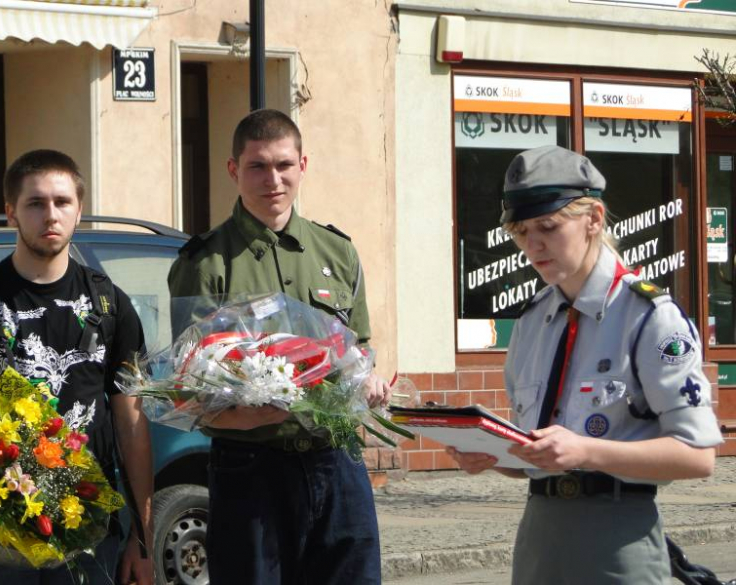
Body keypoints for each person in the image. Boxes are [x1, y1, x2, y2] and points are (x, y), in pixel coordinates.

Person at [448, 145, 723, 584]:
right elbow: (540, 456)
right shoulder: (533, 321)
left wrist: (586, 451)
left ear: (594, 218)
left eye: (548, 227)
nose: (531, 245)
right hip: (541, 537)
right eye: (520, 232)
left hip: (618, 540)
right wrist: (496, 454)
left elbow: (698, 455)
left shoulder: (649, 316)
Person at [168, 108, 390, 585]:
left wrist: (364, 379)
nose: (273, 179)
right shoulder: (205, 262)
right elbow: (192, 377)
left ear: (303, 165)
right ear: (234, 170)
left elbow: (360, 344)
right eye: (258, 166)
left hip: (336, 458)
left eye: (284, 165)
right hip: (252, 467)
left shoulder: (337, 252)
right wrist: (237, 412)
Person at [0, 150, 154, 585]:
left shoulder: (110, 305)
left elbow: (132, 424)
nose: (51, 215)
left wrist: (143, 538)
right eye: (35, 203)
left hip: (89, 528)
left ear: (78, 211)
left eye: (62, 202)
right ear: (11, 212)